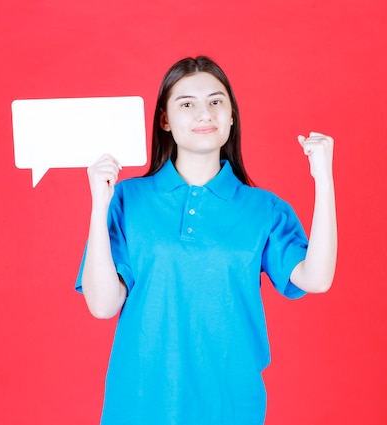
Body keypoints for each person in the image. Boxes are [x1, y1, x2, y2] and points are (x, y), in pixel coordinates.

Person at [76, 56, 337, 425]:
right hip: (139, 405)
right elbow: (103, 305)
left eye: (216, 101)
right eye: (187, 104)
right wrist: (98, 205)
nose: (205, 114)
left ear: (231, 116)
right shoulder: (125, 199)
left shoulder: (263, 208)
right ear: (164, 119)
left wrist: (323, 179)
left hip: (230, 407)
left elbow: (317, 278)